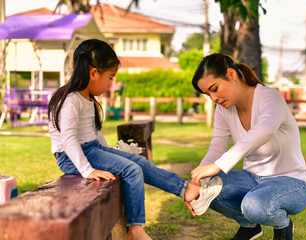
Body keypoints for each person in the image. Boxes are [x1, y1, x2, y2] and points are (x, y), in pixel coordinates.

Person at [48, 39, 220, 240]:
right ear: (93, 73)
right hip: (72, 157)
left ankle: (186, 190)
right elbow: (68, 139)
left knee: (138, 162)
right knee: (132, 170)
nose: (110, 83)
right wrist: (88, 170)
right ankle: (135, 230)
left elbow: (95, 134)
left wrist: (112, 154)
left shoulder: (87, 99)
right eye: (110, 77)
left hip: (90, 150)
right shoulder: (70, 99)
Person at [188, 53, 306, 240]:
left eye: (214, 89)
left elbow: (266, 129)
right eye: (208, 94)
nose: (213, 98)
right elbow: (217, 145)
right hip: (252, 179)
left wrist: (219, 165)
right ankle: (250, 226)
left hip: (292, 182)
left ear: (231, 74)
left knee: (253, 205)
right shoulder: (223, 109)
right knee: (207, 191)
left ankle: (283, 226)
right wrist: (199, 181)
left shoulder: (269, 97)